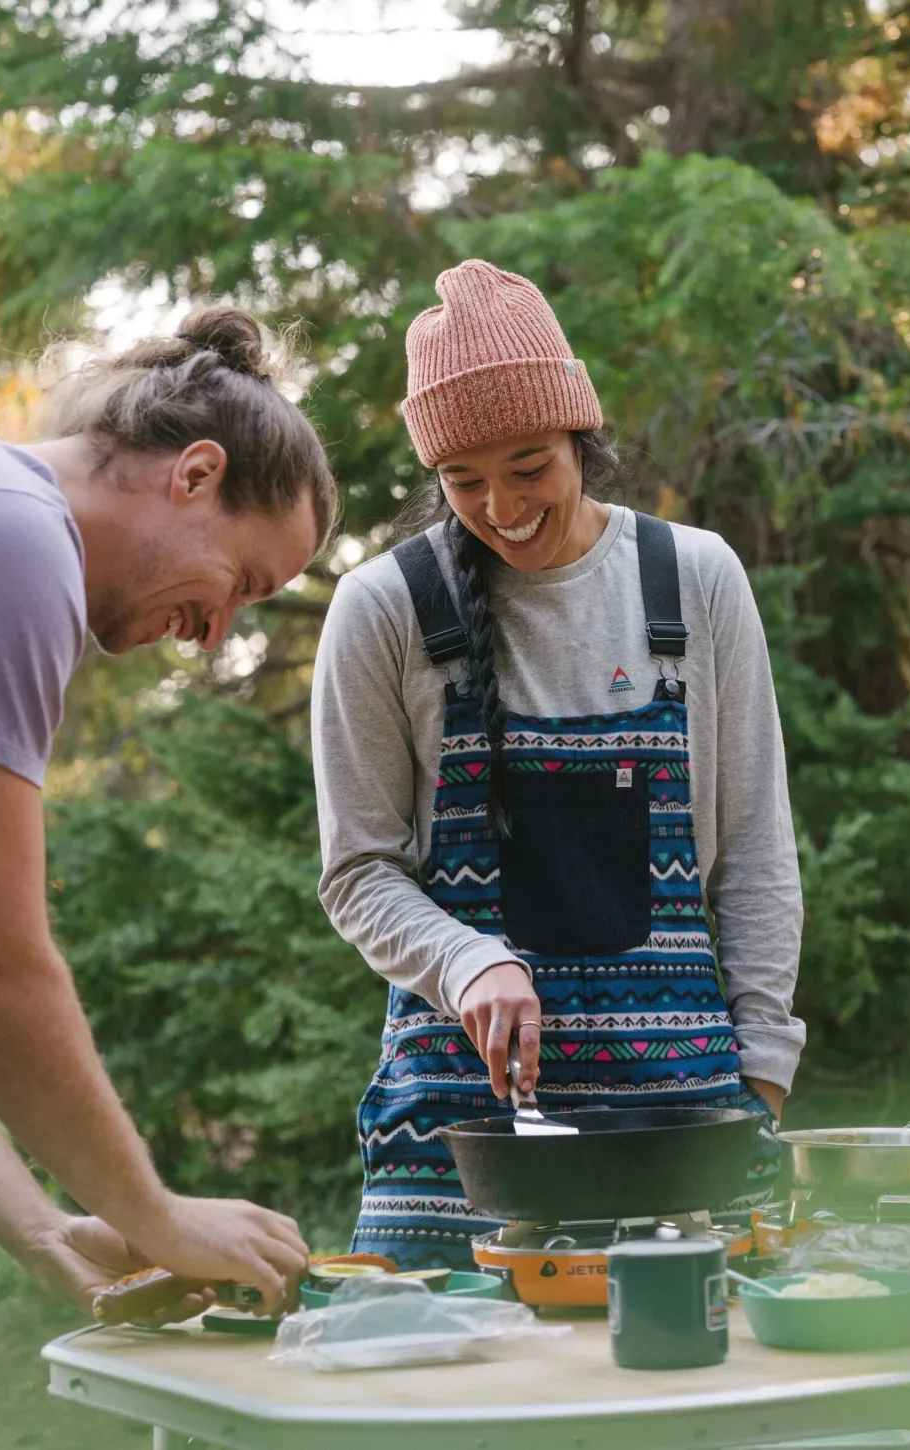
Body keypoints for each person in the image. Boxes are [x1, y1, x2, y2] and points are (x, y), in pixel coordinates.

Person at [312, 260, 805, 1270]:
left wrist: (760, 1073)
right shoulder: (384, 609)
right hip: (454, 1150)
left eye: (529, 464)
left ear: (581, 436)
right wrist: (468, 959)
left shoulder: (692, 580)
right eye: (462, 479)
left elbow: (753, 845)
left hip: (682, 1135)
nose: (500, 504)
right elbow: (357, 871)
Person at [0, 305, 338, 1315]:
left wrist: (47, 1236)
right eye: (240, 580)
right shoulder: (7, 538)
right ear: (194, 475)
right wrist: (157, 1212)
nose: (215, 634)